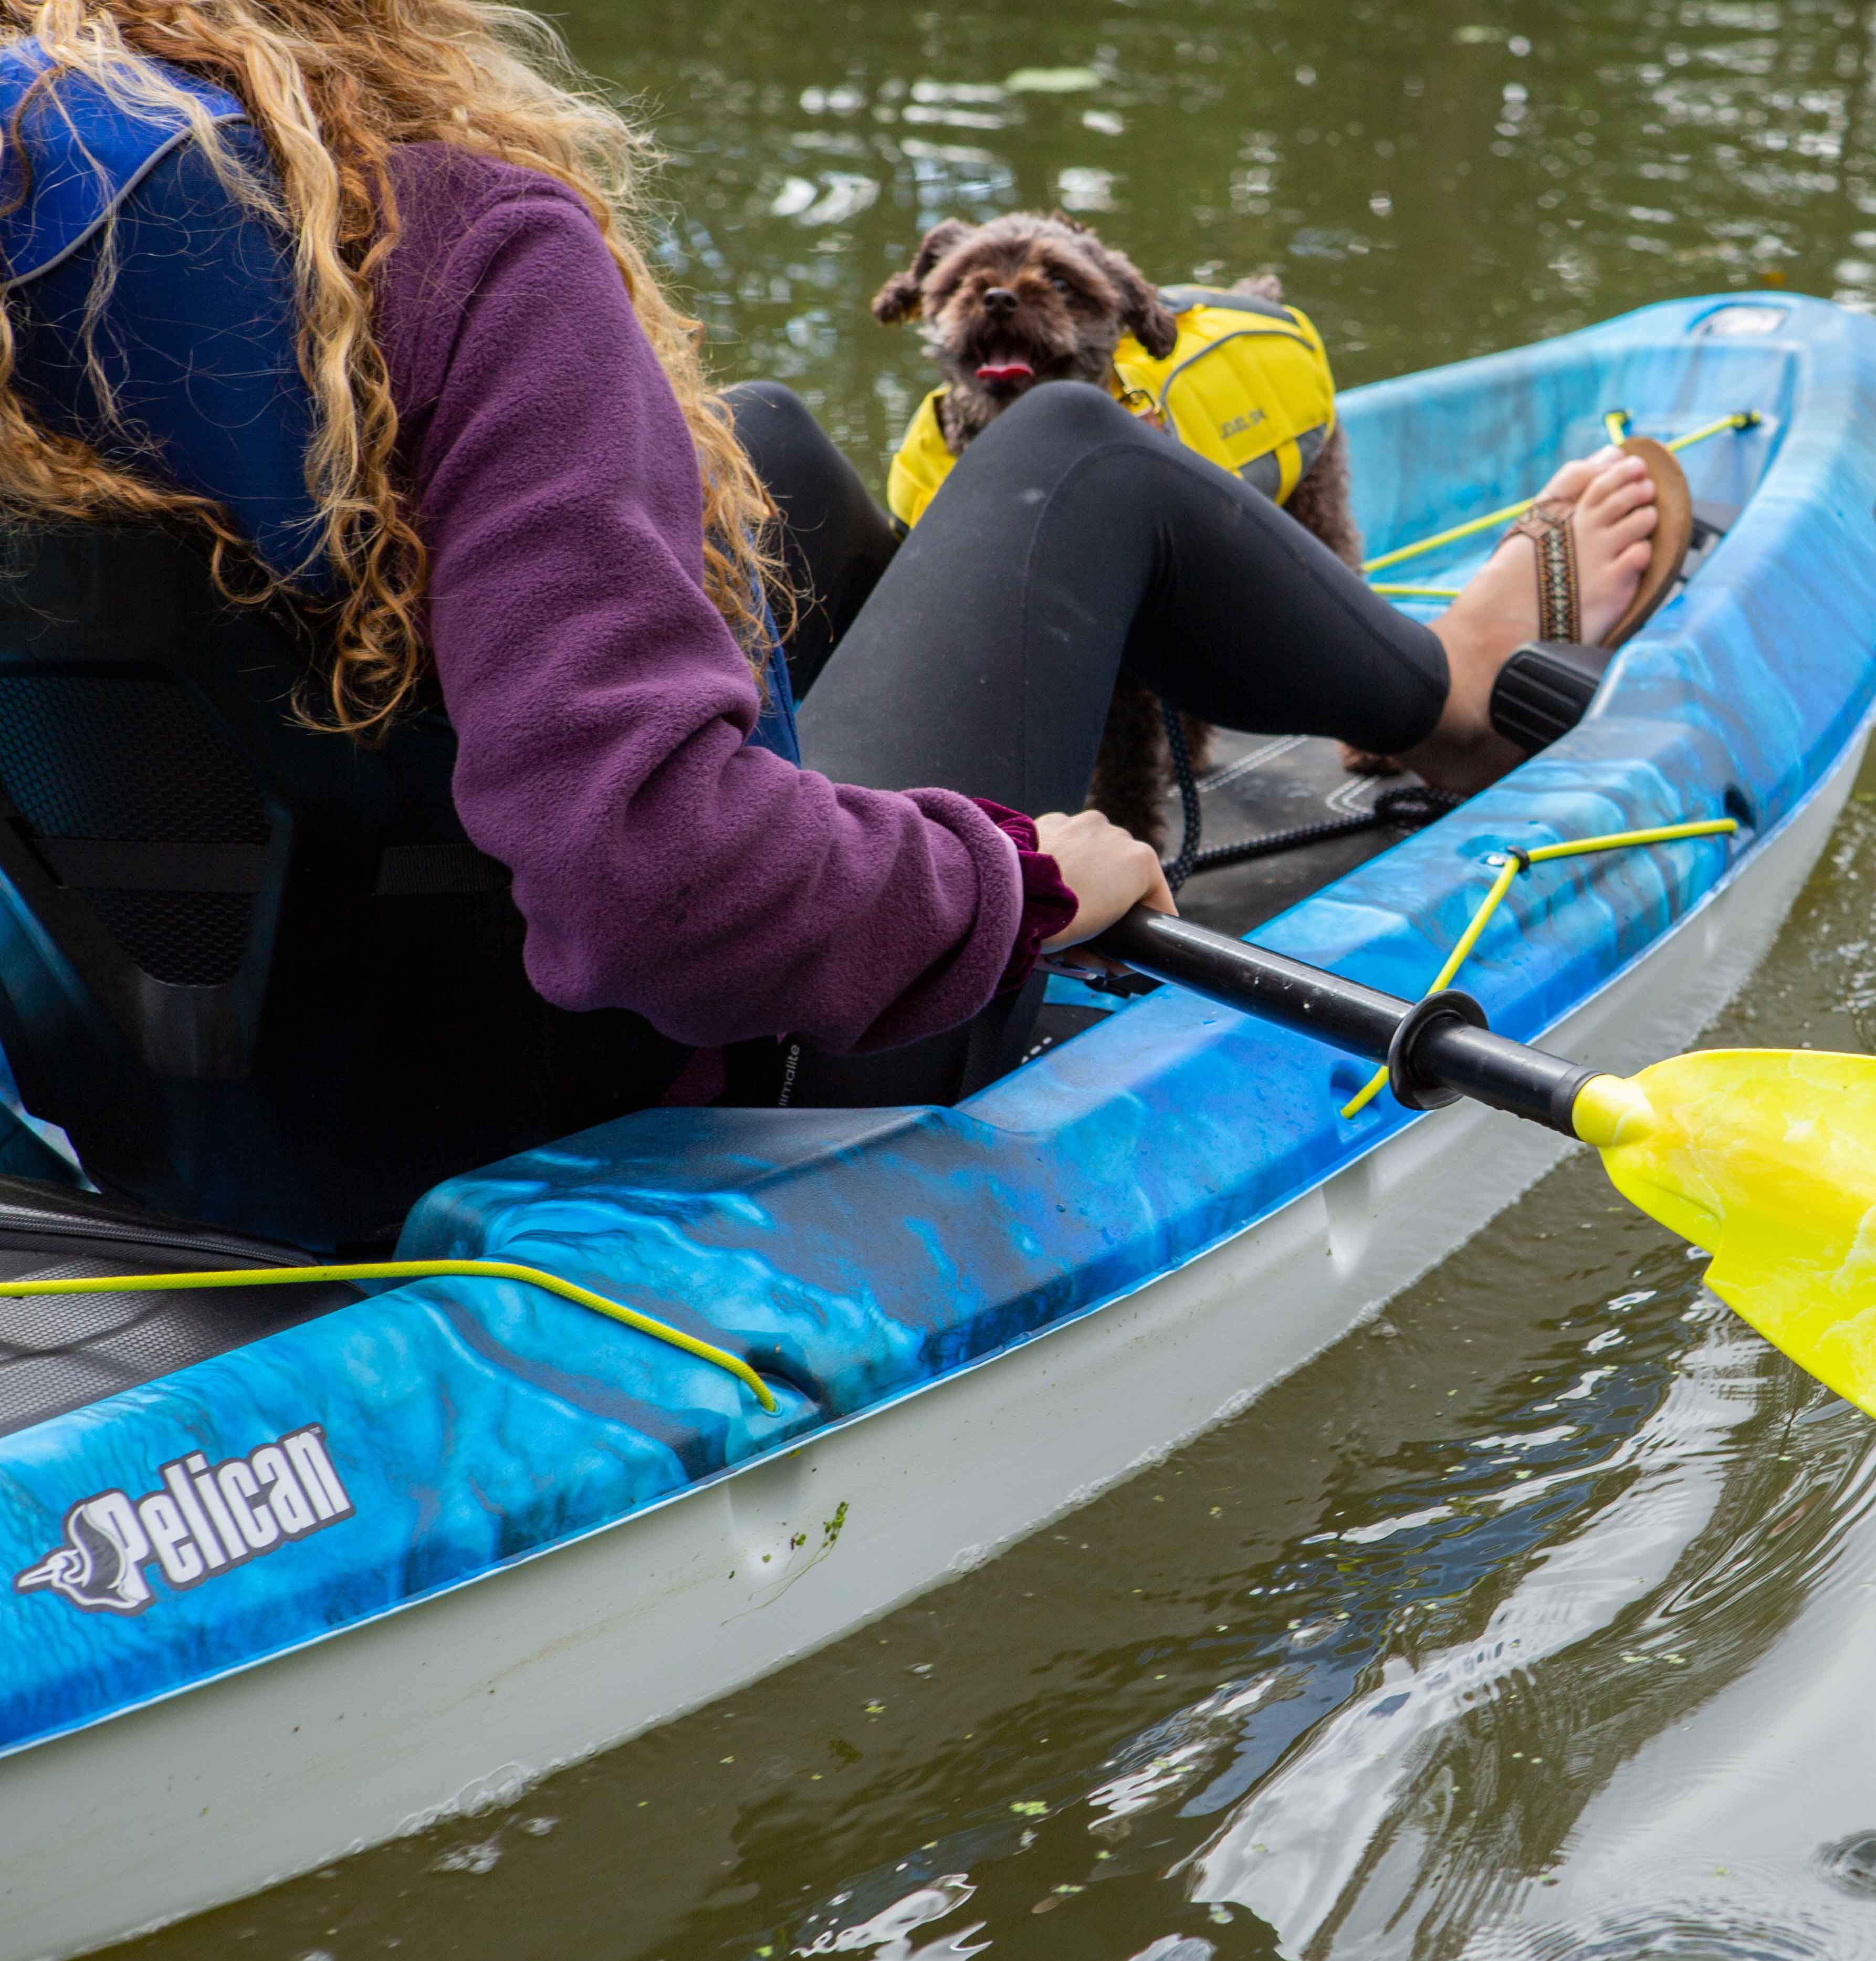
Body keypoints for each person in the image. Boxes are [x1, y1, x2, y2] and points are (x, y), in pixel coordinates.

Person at [0, 0, 1664, 1240]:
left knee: (773, 441)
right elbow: (654, 883)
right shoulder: (444, 253)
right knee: (1076, 454)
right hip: (690, 1083)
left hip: (189, 1132)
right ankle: (1441, 693)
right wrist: (1015, 879)